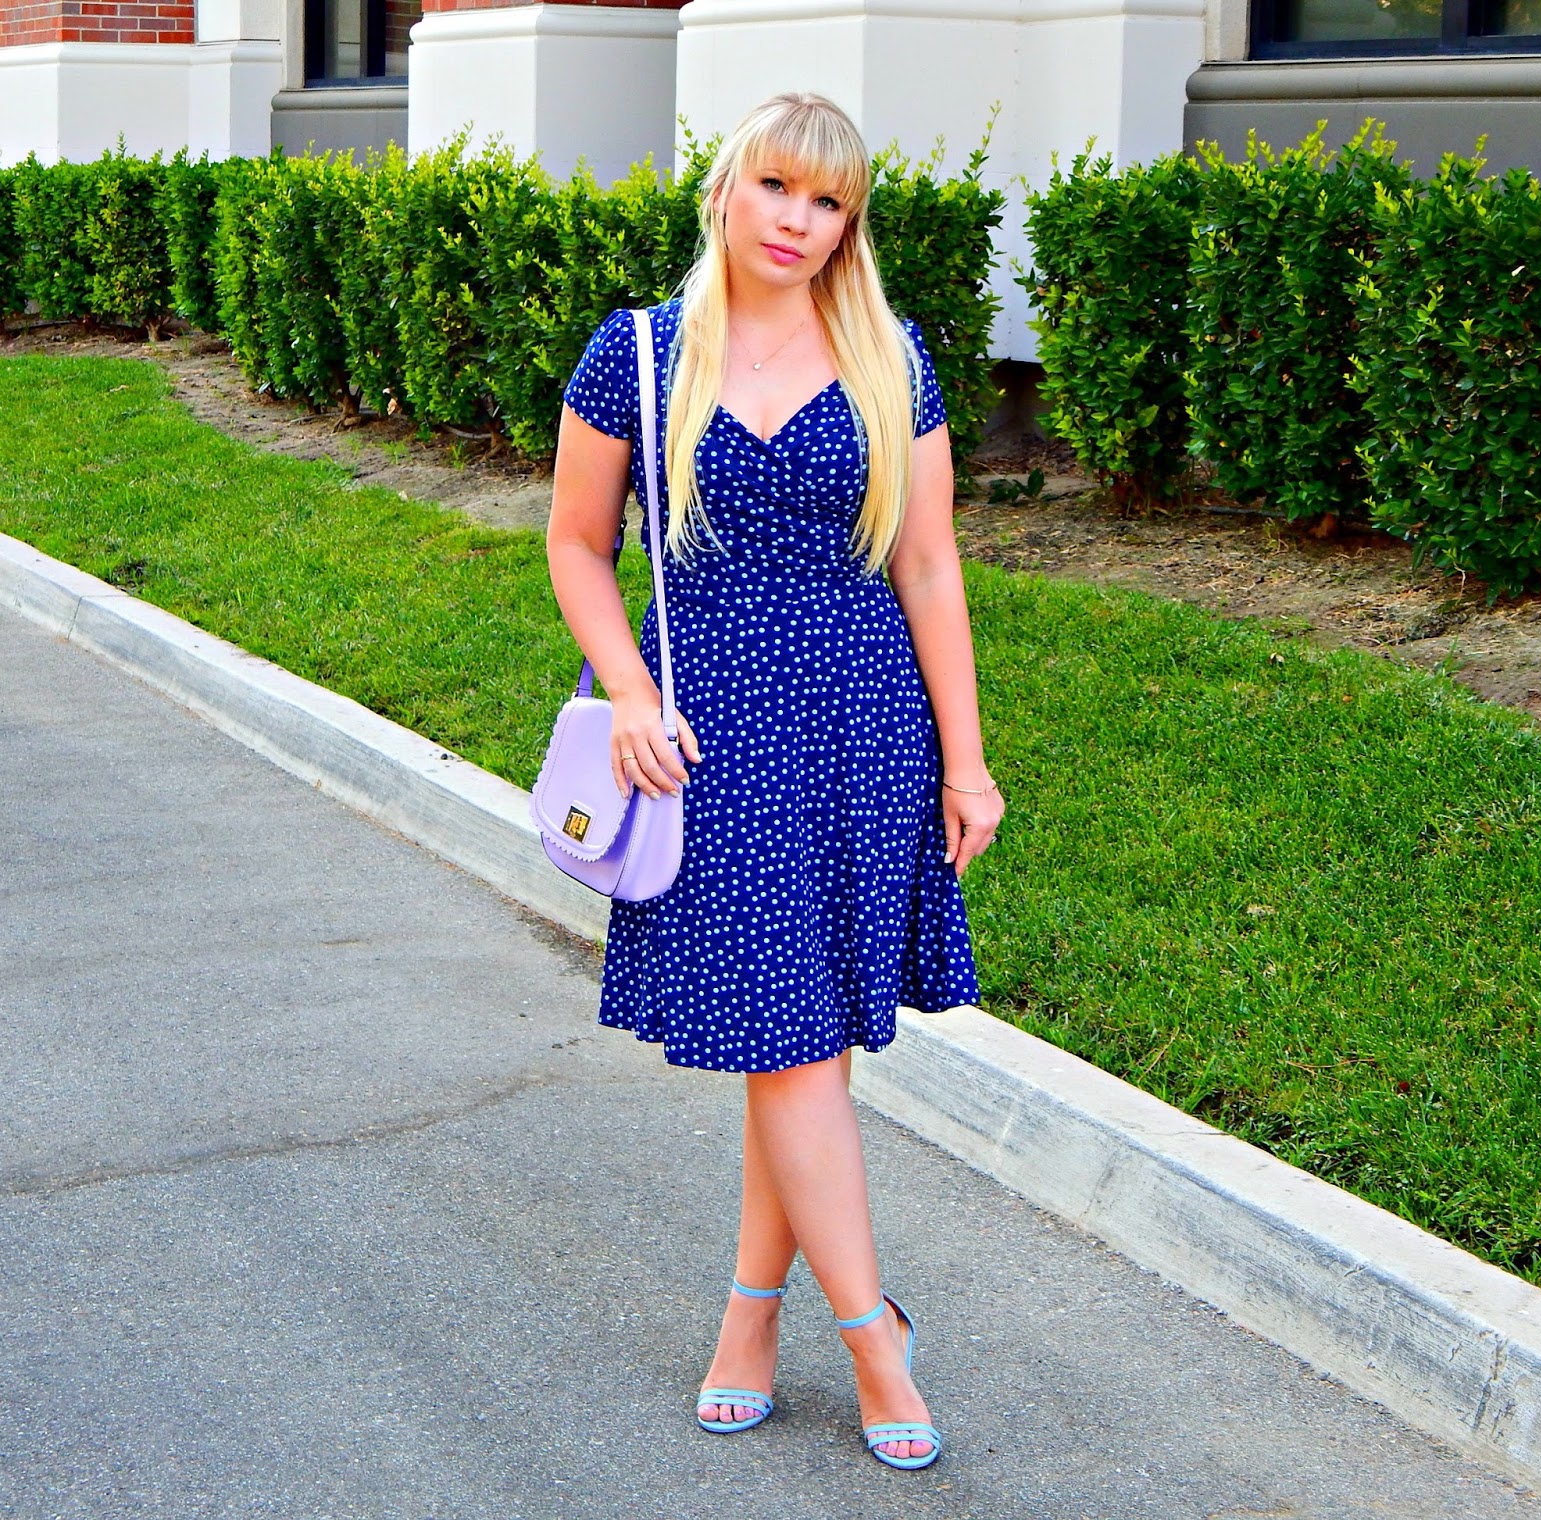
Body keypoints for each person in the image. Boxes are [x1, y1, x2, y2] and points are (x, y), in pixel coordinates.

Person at [545, 91, 1003, 1472]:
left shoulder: (888, 352)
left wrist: (968, 760)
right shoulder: (635, 355)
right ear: (728, 192)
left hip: (865, 728)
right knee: (792, 1046)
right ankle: (875, 1339)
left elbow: (926, 565)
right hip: (709, 740)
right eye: (779, 190)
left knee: (794, 1043)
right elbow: (575, 544)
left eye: (832, 203)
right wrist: (629, 688)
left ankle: (750, 1315)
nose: (800, 223)